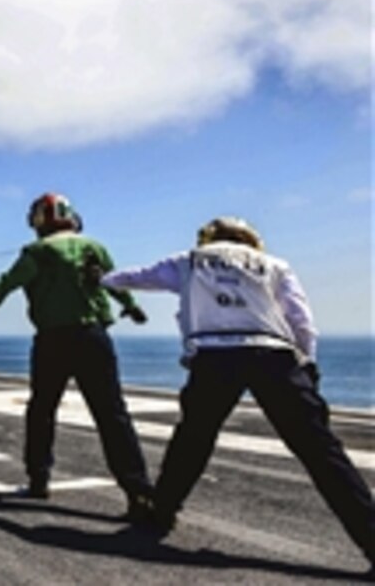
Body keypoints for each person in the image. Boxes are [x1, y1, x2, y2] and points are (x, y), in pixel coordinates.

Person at [101, 216, 374, 569]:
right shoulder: (274, 264)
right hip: (273, 355)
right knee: (321, 451)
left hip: (214, 357)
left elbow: (135, 277)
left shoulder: (189, 259)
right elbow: (301, 320)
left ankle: (163, 512)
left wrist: (103, 278)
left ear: (208, 236)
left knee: (193, 439)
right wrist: (306, 363)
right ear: (250, 239)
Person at [0, 192, 153, 518]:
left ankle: (39, 479)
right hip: (93, 338)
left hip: (53, 342)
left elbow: (1, 289)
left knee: (42, 410)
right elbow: (113, 283)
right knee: (112, 415)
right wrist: (133, 308)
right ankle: (138, 492)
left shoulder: (36, 252)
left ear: (38, 220)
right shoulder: (93, 247)